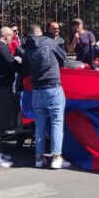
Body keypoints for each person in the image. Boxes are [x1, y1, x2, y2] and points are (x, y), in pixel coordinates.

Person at [19, 24, 69, 169]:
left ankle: (39, 159)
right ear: (41, 33)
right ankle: (56, 158)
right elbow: (63, 56)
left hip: (37, 91)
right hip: (53, 88)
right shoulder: (49, 42)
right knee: (56, 124)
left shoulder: (27, 51)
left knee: (39, 125)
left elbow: (26, 70)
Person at [0, 27, 21, 168]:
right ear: (6, 36)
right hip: (3, 89)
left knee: (0, 120)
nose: (11, 40)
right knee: (1, 121)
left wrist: (13, 59)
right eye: (11, 37)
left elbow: (5, 62)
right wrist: (18, 61)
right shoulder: (2, 48)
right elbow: (14, 66)